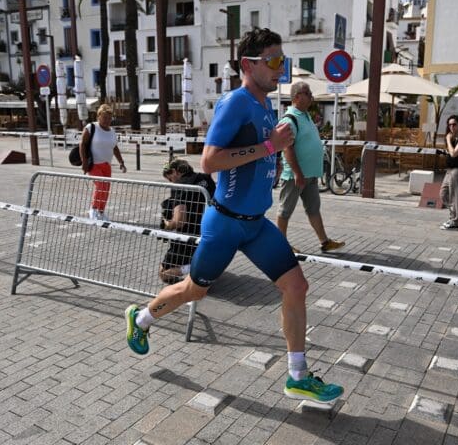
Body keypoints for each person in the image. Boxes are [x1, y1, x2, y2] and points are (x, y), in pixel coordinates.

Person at [124, 28, 344, 403]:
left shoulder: (264, 106)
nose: (281, 69)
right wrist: (267, 147)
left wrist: (273, 154)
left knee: (296, 286)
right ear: (248, 64)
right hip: (224, 224)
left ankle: (297, 376)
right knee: (196, 289)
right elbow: (209, 162)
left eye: (283, 61)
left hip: (256, 225)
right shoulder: (236, 102)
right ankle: (141, 318)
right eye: (273, 61)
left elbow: (260, 151)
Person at [276, 81, 345, 253]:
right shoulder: (289, 119)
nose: (311, 96)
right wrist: (298, 173)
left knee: (313, 209)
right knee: (285, 211)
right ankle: (280, 246)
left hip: (310, 175)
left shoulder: (305, 116)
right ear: (297, 97)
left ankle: (324, 242)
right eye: (308, 93)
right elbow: (287, 149)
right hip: (295, 176)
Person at [159, 159, 216, 284]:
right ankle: (203, 264)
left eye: (169, 179)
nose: (171, 182)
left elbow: (179, 222)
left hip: (187, 238)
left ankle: (194, 268)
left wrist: (166, 225)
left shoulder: (181, 186)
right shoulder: (206, 179)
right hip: (210, 233)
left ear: (174, 172)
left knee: (163, 274)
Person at [80, 103, 126, 220]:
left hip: (107, 165)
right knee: (100, 186)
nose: (107, 120)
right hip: (94, 164)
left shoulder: (112, 131)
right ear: (98, 116)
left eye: (109, 118)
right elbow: (82, 144)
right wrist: (84, 161)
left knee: (106, 189)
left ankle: (101, 211)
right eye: (104, 117)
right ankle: (93, 209)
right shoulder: (91, 127)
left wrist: (121, 162)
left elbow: (114, 147)